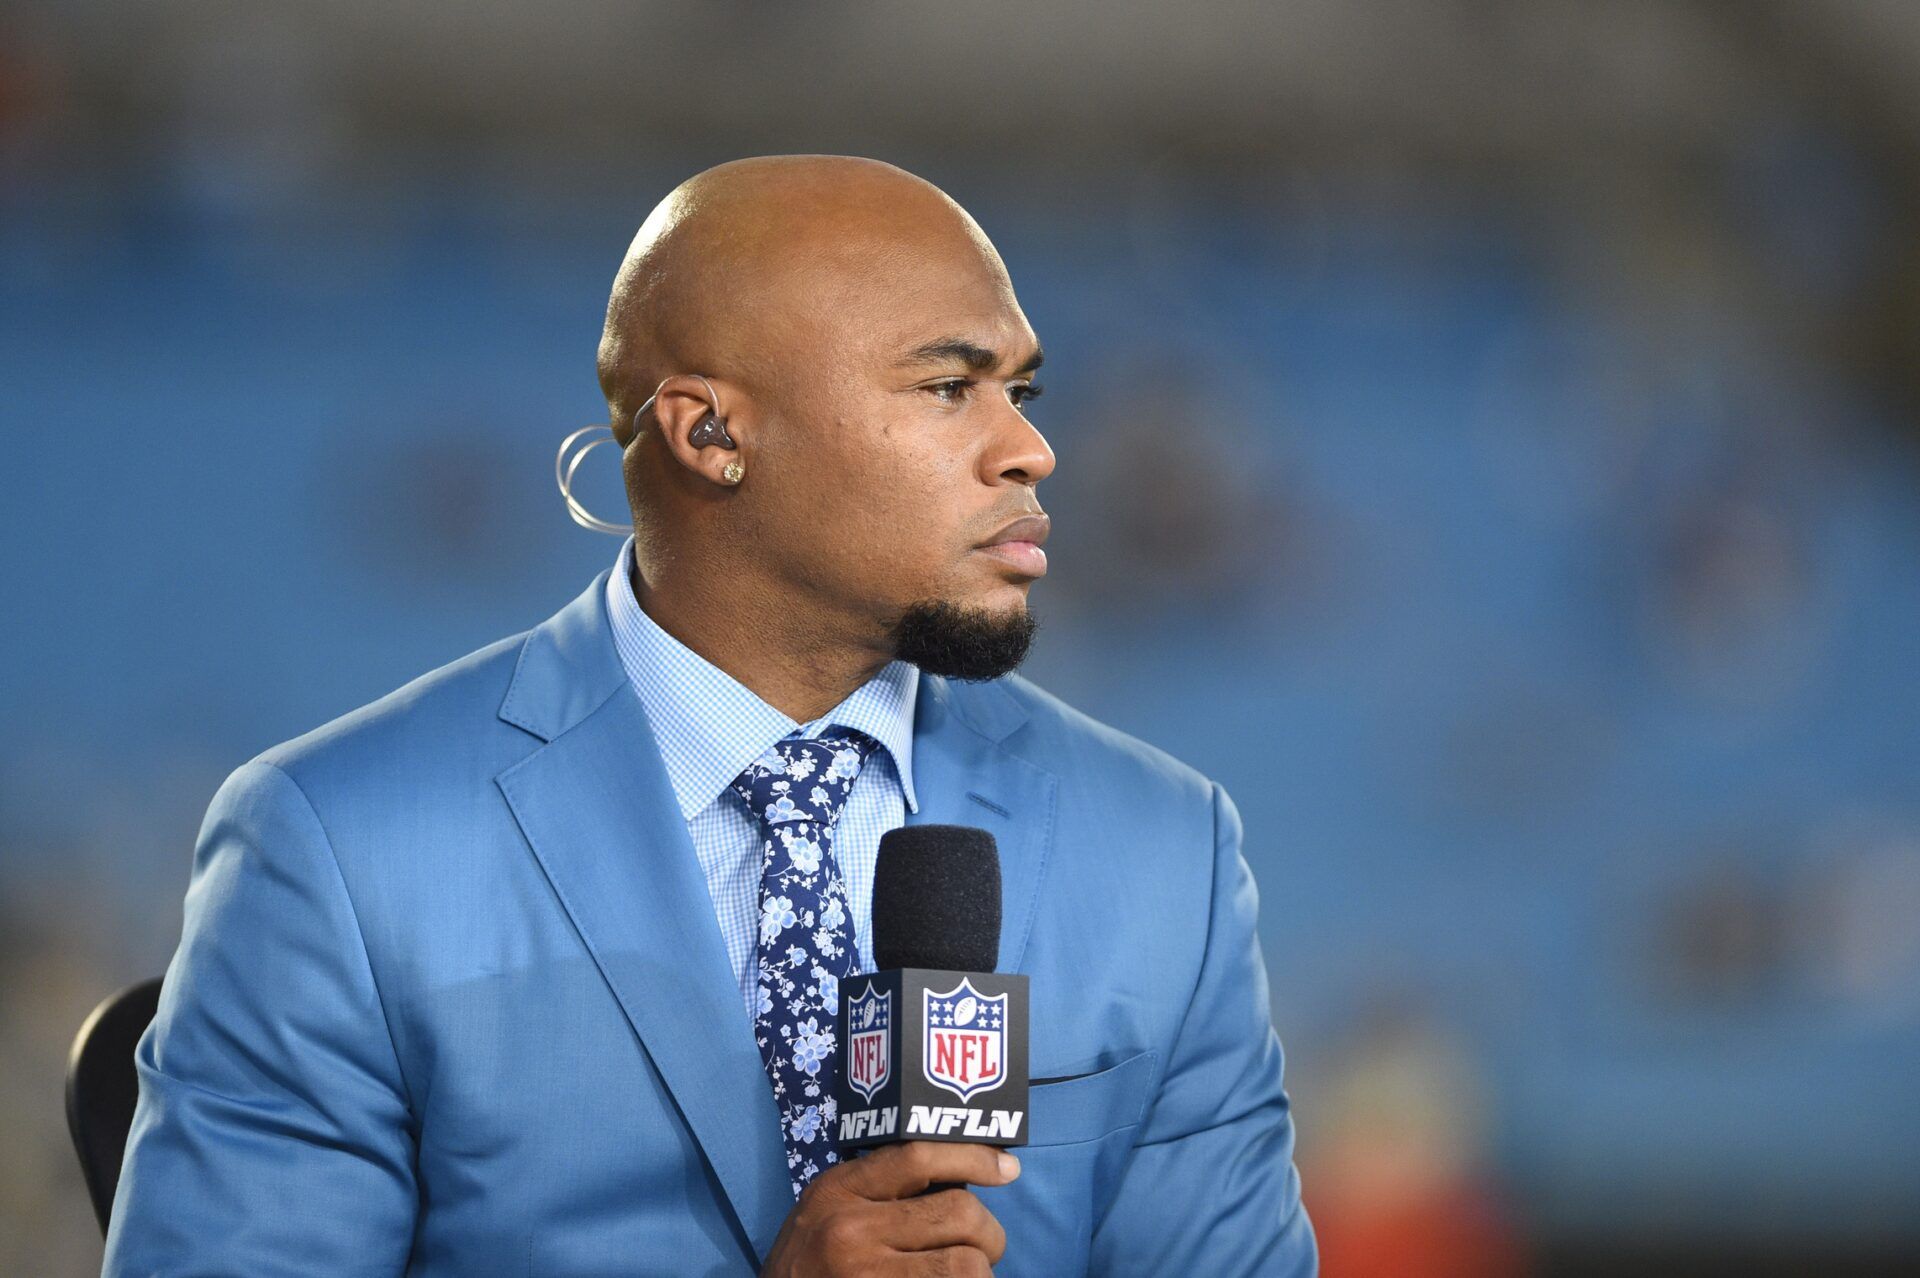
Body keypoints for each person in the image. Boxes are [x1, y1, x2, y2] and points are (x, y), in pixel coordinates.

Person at [105, 155, 1316, 1276]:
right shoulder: (341, 848)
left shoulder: (1169, 851)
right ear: (713, 433)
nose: (1032, 449)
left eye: (1024, 388)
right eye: (950, 386)